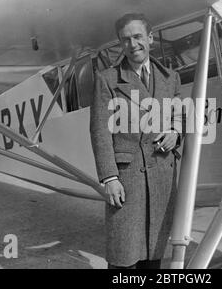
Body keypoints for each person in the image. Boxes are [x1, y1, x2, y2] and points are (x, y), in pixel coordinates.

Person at [90, 13, 182, 269]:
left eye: (138, 37)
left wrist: (175, 132)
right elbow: (100, 131)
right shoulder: (107, 79)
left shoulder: (170, 78)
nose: (133, 45)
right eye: (126, 40)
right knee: (124, 257)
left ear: (150, 38)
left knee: (154, 254)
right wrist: (109, 178)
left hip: (161, 176)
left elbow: (179, 115)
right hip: (126, 179)